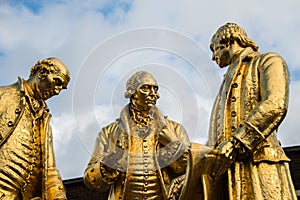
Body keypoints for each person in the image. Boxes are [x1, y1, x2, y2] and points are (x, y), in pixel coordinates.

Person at [206, 22, 297, 199]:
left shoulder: (268, 60)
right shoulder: (224, 84)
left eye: (214, 49)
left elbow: (275, 104)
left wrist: (236, 142)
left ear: (228, 41)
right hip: (228, 174)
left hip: (261, 164)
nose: (213, 56)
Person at [84, 71, 192, 200]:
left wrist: (172, 143)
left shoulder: (174, 129)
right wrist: (107, 164)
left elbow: (189, 170)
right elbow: (91, 180)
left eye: (155, 89)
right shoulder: (109, 133)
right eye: (146, 88)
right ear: (132, 92)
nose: (153, 94)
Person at [0, 57, 70, 200]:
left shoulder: (44, 123)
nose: (57, 91)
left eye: (61, 88)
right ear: (42, 73)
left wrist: (58, 196)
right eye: (56, 82)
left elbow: (50, 170)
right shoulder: (3, 96)